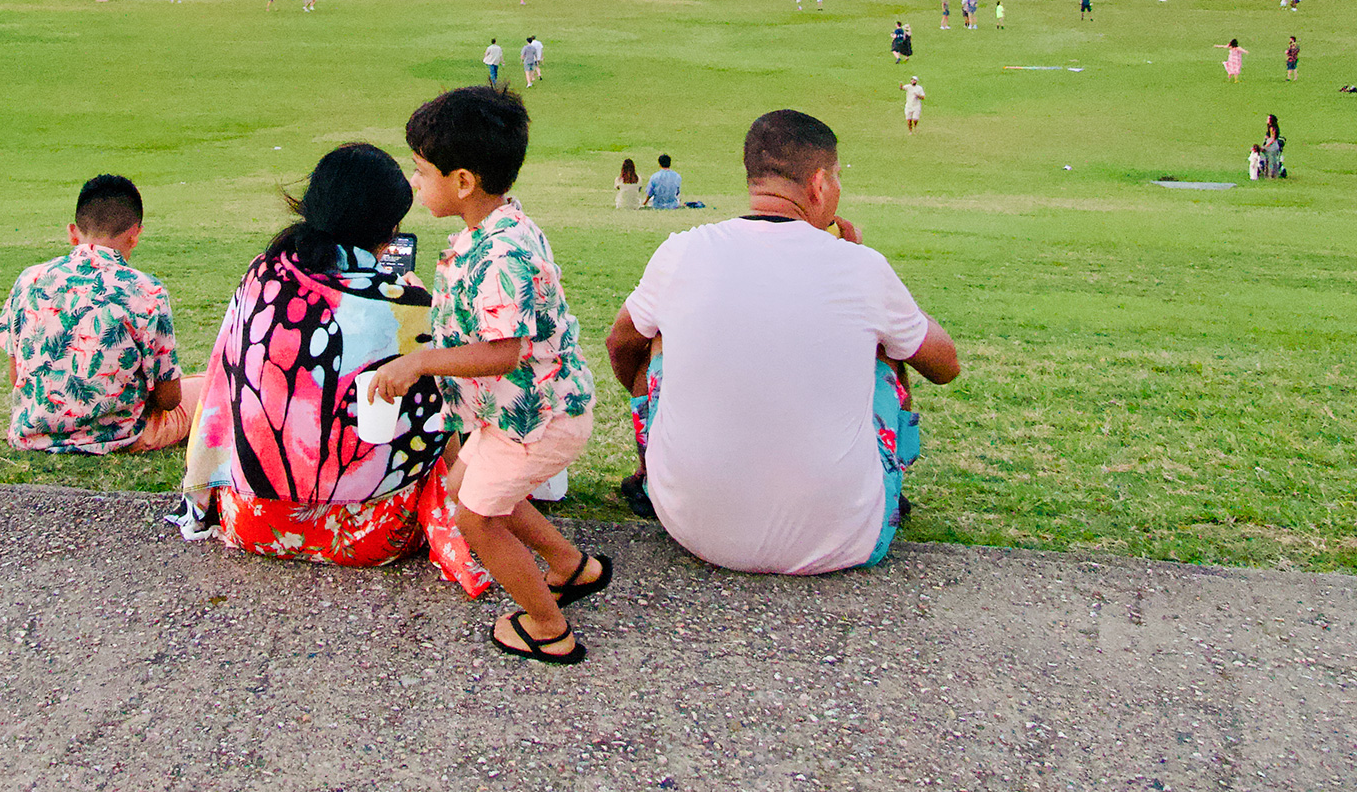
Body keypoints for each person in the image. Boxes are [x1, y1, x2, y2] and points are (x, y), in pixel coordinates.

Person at [603, 110, 959, 575]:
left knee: (653, 339)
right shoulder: (861, 268)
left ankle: (648, 473)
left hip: (691, 527)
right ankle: (885, 484)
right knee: (888, 348)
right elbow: (945, 365)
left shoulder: (682, 251)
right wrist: (867, 274)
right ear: (818, 184)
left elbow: (618, 343)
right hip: (846, 537)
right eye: (837, 177)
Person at [173, 145, 486, 594]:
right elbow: (439, 418)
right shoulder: (408, 305)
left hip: (253, 520)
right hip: (373, 534)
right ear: (387, 229)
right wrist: (415, 305)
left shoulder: (261, 274)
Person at [370, 87, 604, 665]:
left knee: (476, 516)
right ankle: (572, 567)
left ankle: (548, 626)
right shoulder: (495, 228)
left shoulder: (501, 254)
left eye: (421, 171)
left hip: (538, 419)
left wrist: (419, 360)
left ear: (463, 181)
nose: (414, 182)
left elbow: (502, 352)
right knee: (465, 487)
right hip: (516, 412)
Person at [0, 174, 199, 454]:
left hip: (34, 436)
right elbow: (169, 399)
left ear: (72, 232)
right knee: (211, 386)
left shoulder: (29, 279)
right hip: (121, 437)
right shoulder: (147, 290)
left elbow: (16, 375)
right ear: (135, 234)